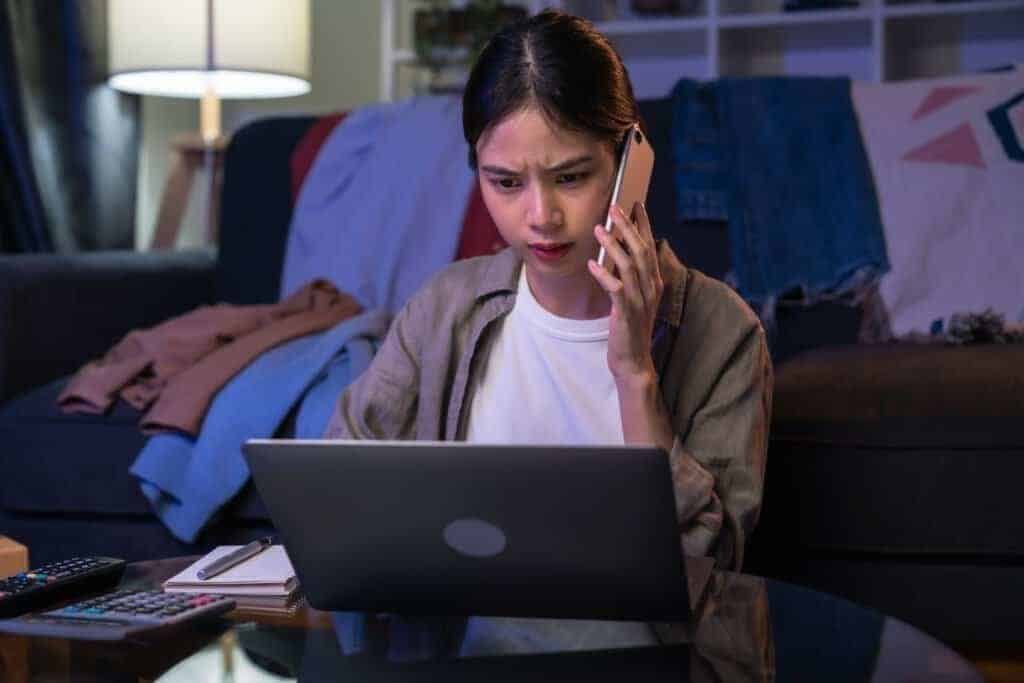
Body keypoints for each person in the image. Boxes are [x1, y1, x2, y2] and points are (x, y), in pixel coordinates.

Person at [324, 9, 772, 572]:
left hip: (640, 653)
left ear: (633, 161)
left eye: (570, 177)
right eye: (505, 183)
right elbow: (338, 486)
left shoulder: (725, 333)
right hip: (466, 646)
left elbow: (710, 568)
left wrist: (635, 374)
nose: (541, 217)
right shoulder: (444, 307)